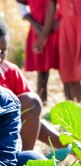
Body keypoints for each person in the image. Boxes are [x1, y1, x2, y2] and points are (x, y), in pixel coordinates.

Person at [0, 16, 63, 151]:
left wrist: (69, 145)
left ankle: (20, 162)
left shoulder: (10, 72)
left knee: (31, 101)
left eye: (2, 51)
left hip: (6, 146)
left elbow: (31, 116)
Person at [16, 0, 69, 104]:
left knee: (63, 68)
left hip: (55, 28)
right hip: (37, 28)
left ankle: (71, 100)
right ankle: (41, 102)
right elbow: (22, 9)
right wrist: (35, 25)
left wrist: (52, 26)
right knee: (42, 70)